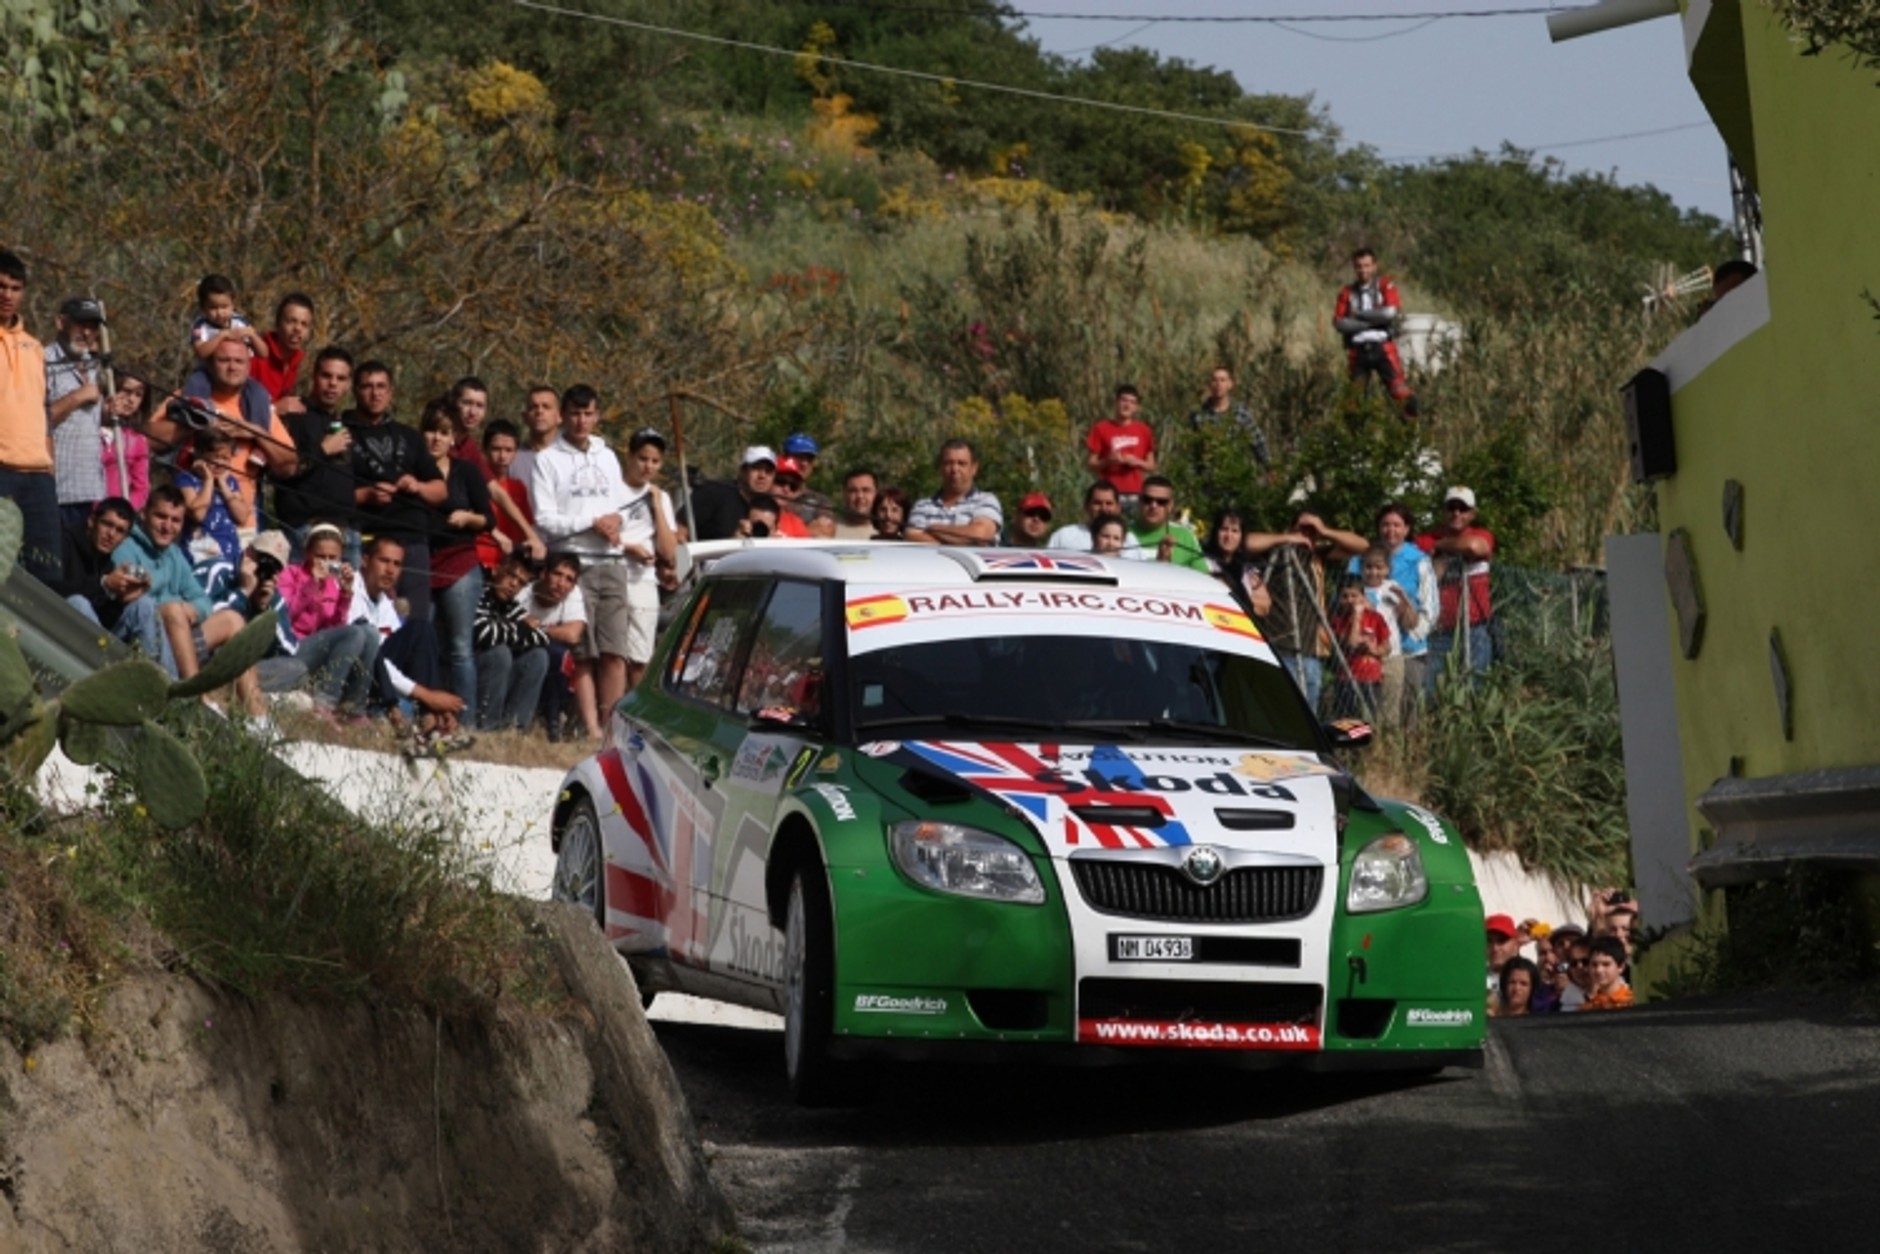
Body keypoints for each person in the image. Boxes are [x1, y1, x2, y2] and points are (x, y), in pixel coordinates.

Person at [533, 389, 676, 721]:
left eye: (588, 414)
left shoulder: (607, 455)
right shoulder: (547, 459)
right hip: (574, 562)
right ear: (562, 416)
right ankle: (591, 726)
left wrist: (615, 522)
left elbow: (619, 506)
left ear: (597, 416)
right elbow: (545, 519)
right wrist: (592, 522)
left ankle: (612, 723)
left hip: (611, 563)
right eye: (575, 413)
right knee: (583, 652)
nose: (581, 421)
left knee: (615, 651)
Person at [158, 335, 300, 528]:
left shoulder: (259, 407)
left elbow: (289, 465)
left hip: (242, 524)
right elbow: (148, 439)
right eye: (224, 360)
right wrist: (196, 422)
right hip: (189, 523)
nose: (232, 367)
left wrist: (256, 433)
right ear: (209, 363)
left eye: (239, 361)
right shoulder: (189, 398)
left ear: (249, 366)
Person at [348, 535, 471, 754]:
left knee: (422, 629)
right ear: (365, 560)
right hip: (356, 677)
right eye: (384, 561)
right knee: (372, 638)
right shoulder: (350, 592)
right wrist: (427, 696)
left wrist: (436, 700)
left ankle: (432, 720)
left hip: (381, 678)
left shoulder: (384, 603)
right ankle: (424, 718)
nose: (390, 570)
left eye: (397, 564)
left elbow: (405, 656)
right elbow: (373, 657)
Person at [344, 361, 443, 618]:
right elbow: (327, 492)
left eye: (381, 387)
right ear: (355, 390)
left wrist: (418, 486)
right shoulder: (340, 433)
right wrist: (366, 494)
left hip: (413, 538)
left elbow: (440, 490)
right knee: (369, 619)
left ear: (390, 393)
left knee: (415, 620)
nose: (375, 394)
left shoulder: (409, 435)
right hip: (369, 540)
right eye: (367, 386)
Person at [1245, 510, 1366, 713]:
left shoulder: (1317, 556)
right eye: (1302, 530)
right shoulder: (1276, 553)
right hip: (1280, 647)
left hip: (1310, 651)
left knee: (1308, 715)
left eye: (1312, 532)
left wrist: (1325, 531)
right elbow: (1246, 542)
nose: (1306, 535)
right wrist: (1286, 538)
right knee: (1282, 713)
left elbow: (1361, 545)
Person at [421, 402, 492, 719]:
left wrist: (468, 518)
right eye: (431, 430)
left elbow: (488, 518)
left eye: (444, 432)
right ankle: (426, 713)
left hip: (461, 563)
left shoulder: (467, 472)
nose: (436, 438)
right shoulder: (412, 472)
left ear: (453, 438)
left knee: (461, 646)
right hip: (422, 562)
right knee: (424, 641)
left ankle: (466, 719)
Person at [0, 249, 60, 583]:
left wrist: (49, 459)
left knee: (48, 571)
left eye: (15, 288)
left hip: (37, 473)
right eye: (1, 286)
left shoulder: (35, 347)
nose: (7, 295)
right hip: (1, 467)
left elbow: (44, 407)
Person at [275, 522, 376, 719]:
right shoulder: (291, 574)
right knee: (354, 632)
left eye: (332, 558)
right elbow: (284, 616)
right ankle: (324, 703)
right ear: (307, 553)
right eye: (320, 556)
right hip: (293, 646)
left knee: (370, 633)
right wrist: (311, 585)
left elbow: (336, 629)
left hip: (318, 647)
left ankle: (355, 707)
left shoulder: (332, 583)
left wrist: (345, 595)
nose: (326, 563)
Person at [1353, 503, 1438, 718]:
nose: (1391, 530)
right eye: (1385, 524)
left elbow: (1430, 607)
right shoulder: (1363, 559)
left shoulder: (1418, 560)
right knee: (1367, 711)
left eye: (1397, 525)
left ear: (1407, 529)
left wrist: (1414, 630)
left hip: (1408, 649)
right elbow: (1349, 593)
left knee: (1407, 713)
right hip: (1366, 650)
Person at [274, 346, 358, 560]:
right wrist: (323, 449)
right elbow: (283, 469)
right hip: (304, 531)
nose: (333, 384)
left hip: (346, 533)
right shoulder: (293, 414)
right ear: (314, 376)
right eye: (326, 376)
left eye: (341, 378)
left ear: (348, 384)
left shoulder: (347, 422)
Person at [54, 497, 160, 655]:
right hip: (55, 624)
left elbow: (102, 619)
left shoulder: (106, 563)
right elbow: (51, 586)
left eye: (120, 531)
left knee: (145, 605)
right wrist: (104, 584)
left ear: (124, 539)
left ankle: (157, 671)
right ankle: (104, 664)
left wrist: (120, 600)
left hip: (95, 641)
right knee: (78, 603)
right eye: (107, 524)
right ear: (92, 521)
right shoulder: (63, 542)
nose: (111, 534)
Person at [1416, 485, 1496, 692]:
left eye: (1463, 509)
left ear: (1472, 513)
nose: (1456, 513)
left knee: (1475, 688)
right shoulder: (1425, 539)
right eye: (1451, 508)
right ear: (1444, 511)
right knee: (1432, 690)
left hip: (1475, 627)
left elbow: (1474, 547)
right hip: (1439, 629)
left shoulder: (1482, 534)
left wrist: (1440, 546)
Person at [45, 295, 111, 528]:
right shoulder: (42, 361)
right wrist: (78, 396)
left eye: (92, 327)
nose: (87, 332)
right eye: (80, 324)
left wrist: (107, 411)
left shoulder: (94, 365)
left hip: (91, 489)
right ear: (61, 322)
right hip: (57, 491)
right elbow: (35, 420)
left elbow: (86, 420)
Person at [1333, 247, 1418, 418]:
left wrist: (1358, 316)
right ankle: (1358, 433)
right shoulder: (1347, 292)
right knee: (1354, 400)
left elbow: (1390, 312)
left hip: (1383, 347)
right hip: (1357, 350)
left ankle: (1412, 430)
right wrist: (1373, 322)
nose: (1363, 270)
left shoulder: (1385, 285)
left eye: (1367, 265)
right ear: (1354, 268)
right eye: (1359, 266)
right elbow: (1339, 323)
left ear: (1374, 266)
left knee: (1400, 392)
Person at [518, 553, 593, 741]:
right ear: (544, 574)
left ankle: (552, 722)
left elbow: (573, 634)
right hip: (521, 651)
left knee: (560, 655)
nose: (561, 583)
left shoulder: (573, 593)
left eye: (569, 579)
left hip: (548, 651)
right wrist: (552, 631)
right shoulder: (524, 593)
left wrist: (538, 627)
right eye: (557, 574)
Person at [474, 552, 551, 732]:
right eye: (510, 575)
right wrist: (521, 629)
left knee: (538, 656)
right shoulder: (479, 594)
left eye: (521, 582)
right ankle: (487, 727)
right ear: (496, 570)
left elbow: (542, 636)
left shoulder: (511, 606)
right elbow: (483, 633)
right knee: (500, 653)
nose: (514, 584)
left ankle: (514, 730)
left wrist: (506, 630)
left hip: (496, 676)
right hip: (470, 671)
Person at [1185, 366, 1271, 505]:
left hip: (1236, 479)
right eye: (1215, 380)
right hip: (1207, 482)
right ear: (1210, 384)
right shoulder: (1198, 415)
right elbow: (1191, 449)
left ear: (1230, 384)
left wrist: (1269, 467)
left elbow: (1258, 441)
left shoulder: (1241, 413)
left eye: (1222, 380)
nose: (1218, 384)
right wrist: (1190, 480)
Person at [174, 426, 254, 566]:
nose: (220, 463)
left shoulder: (230, 482)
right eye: (214, 457)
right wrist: (208, 480)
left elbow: (242, 517)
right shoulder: (186, 479)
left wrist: (223, 484)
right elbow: (198, 514)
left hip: (230, 552)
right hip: (199, 553)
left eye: (225, 458)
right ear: (199, 455)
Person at [475, 417, 546, 571]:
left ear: (516, 452)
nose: (502, 456)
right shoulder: (473, 482)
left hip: (509, 565)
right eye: (496, 449)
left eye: (508, 450)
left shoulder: (518, 487)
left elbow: (526, 527)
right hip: (479, 561)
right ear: (484, 450)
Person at [1357, 546, 1409, 723]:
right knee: (1365, 704)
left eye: (1379, 567)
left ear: (1387, 569)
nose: (1374, 572)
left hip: (1391, 653)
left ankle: (1389, 737)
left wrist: (1403, 599)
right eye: (1368, 567)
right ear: (1361, 568)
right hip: (1364, 655)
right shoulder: (1357, 590)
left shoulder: (1391, 588)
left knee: (1390, 701)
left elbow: (1405, 617)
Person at [1084, 384, 1156, 510]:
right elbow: (1090, 464)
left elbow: (1151, 465)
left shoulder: (1144, 430)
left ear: (1136, 407)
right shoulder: (1101, 428)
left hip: (1136, 493)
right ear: (1116, 402)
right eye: (1124, 400)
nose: (1127, 405)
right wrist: (1108, 461)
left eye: (1132, 402)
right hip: (1108, 494)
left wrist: (1136, 462)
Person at [687, 446, 780, 542]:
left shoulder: (773, 506)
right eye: (756, 468)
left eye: (768, 471)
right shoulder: (713, 493)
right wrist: (734, 541)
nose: (762, 475)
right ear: (742, 471)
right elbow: (681, 532)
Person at [1329, 577, 1389, 719]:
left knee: (1370, 717)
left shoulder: (1375, 617)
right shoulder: (1337, 620)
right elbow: (1352, 643)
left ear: (1363, 597)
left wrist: (1375, 650)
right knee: (1348, 719)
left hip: (1371, 677)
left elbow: (1387, 645)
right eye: (1345, 596)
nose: (1350, 600)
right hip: (1347, 677)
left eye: (1354, 596)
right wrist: (1357, 616)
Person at [1202, 509, 1271, 618]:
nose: (1228, 536)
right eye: (1224, 529)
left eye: (1235, 531)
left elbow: (1264, 607)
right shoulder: (1204, 563)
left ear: (1241, 536)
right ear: (1215, 532)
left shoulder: (1248, 571)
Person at [1128, 476, 1206, 570]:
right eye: (1147, 500)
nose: (1153, 505)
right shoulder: (1121, 533)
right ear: (1139, 501)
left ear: (1170, 506)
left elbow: (1202, 575)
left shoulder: (1186, 536)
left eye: (1161, 502)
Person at [248, 293, 314, 406]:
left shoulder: (302, 365)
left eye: (304, 324)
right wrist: (274, 408)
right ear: (278, 323)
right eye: (291, 321)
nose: (298, 328)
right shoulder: (253, 355)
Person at [99, 374, 151, 511]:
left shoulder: (137, 440)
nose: (131, 400)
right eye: (126, 391)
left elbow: (141, 488)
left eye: (138, 395)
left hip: (116, 512)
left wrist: (124, 511)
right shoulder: (91, 426)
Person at [189, 273, 266, 362]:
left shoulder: (239, 321)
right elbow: (201, 353)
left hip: (240, 367)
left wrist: (252, 335)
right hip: (209, 368)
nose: (220, 313)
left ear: (233, 304)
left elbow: (264, 353)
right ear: (203, 308)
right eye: (213, 308)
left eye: (224, 307)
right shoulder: (200, 325)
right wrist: (222, 335)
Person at [1050, 482, 1142, 556]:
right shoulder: (1064, 536)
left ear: (1118, 507)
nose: (1104, 508)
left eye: (1109, 503)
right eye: (1097, 503)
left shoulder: (1130, 541)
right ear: (1086, 506)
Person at [509, 384, 561, 491]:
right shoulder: (511, 459)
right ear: (525, 417)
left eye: (546, 407)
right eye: (533, 407)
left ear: (560, 416)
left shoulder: (574, 457)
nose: (539, 411)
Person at [445, 375, 494, 480]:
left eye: (479, 406)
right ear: (454, 403)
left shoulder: (470, 445)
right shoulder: (438, 439)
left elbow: (490, 483)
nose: (473, 412)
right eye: (467, 403)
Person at [1580, 936, 1634, 1011]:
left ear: (1621, 967)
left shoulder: (1631, 1002)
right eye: (1594, 964)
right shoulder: (1588, 1007)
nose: (1599, 970)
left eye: (1606, 964)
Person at [767, 457, 816, 537]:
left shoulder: (796, 523)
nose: (786, 489)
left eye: (793, 485)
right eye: (781, 481)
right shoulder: (749, 513)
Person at [1485, 913, 1523, 998]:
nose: (1495, 948)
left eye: (1501, 941)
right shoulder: (1474, 978)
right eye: (1489, 941)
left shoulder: (1527, 978)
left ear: (1515, 945)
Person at [836, 468, 877, 540]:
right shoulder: (831, 531)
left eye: (866, 490)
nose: (860, 496)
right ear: (844, 494)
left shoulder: (889, 532)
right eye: (853, 491)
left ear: (876, 493)